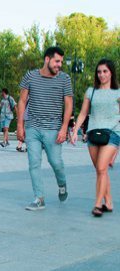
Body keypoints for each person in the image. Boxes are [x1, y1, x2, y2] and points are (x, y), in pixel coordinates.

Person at [17, 46, 73, 211]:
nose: (59, 65)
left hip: (53, 129)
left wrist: (64, 129)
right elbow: (22, 101)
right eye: (57, 61)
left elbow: (69, 104)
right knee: (34, 163)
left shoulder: (64, 79)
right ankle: (39, 198)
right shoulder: (30, 76)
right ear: (47, 59)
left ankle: (62, 184)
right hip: (33, 127)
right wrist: (20, 126)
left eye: (61, 62)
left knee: (56, 162)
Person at [70, 59, 120, 217]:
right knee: (101, 170)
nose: (102, 75)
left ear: (111, 72)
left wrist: (117, 149)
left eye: (105, 71)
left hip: (112, 133)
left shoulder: (118, 92)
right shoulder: (91, 91)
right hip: (93, 134)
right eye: (99, 72)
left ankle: (98, 205)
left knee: (101, 168)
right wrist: (75, 131)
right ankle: (109, 201)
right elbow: (83, 113)